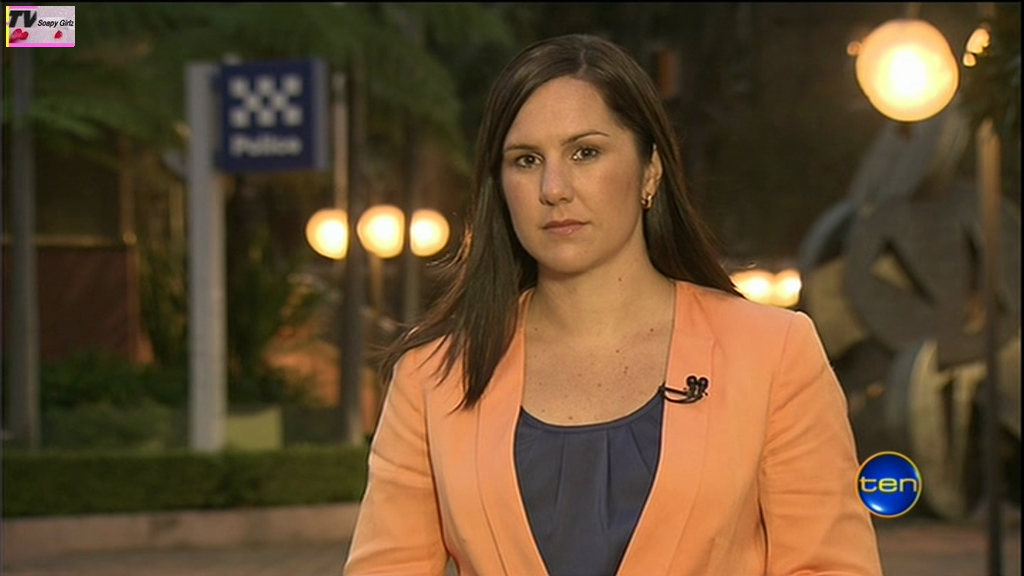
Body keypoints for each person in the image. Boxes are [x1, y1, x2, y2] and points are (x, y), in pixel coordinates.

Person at [344, 33, 883, 576]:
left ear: (650, 170)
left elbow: (830, 567)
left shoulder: (773, 353)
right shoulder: (433, 378)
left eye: (585, 152)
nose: (554, 188)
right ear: (500, 187)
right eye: (526, 160)